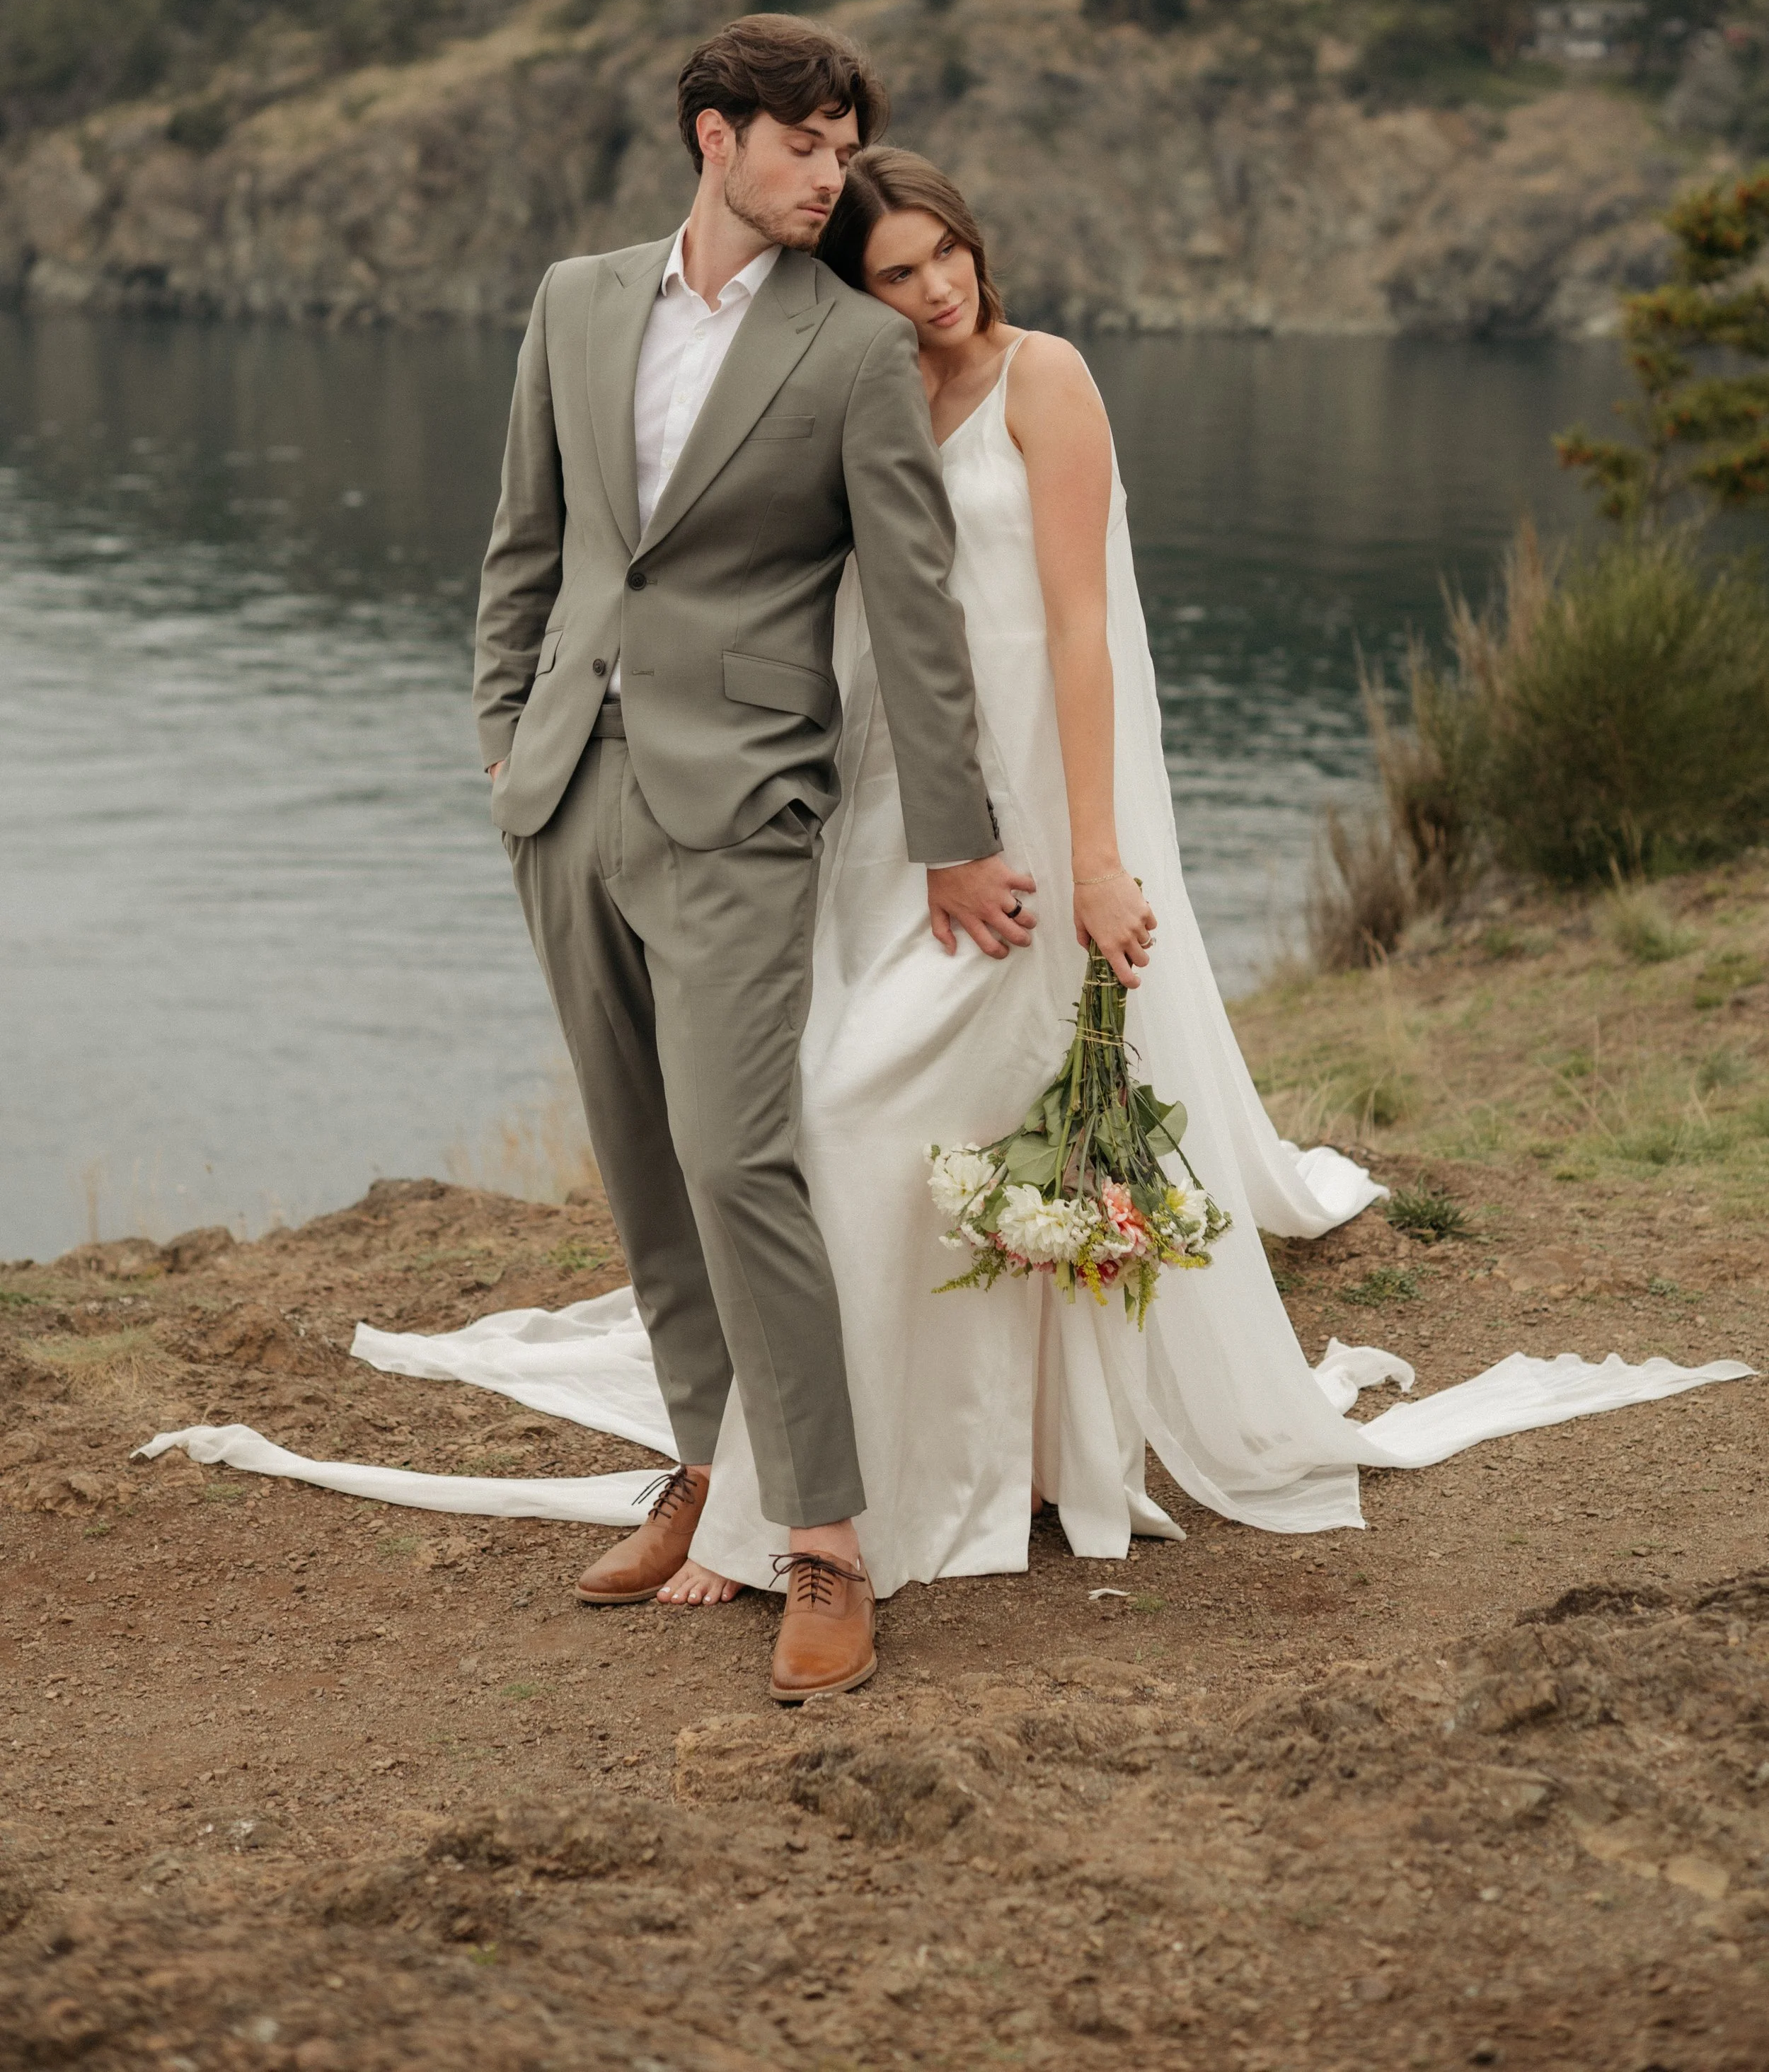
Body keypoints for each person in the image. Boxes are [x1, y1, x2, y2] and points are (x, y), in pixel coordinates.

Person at [140, 147, 1751, 1627]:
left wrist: (1095, 855)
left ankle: (826, 1510)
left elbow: (1072, 633)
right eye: (896, 269)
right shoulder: (837, 382)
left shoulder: (1042, 379)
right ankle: (964, 1449)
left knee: (847, 1116)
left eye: (945, 254)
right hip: (867, 800)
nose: (935, 288)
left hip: (1025, 813)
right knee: (905, 1135)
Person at [472, 27, 1033, 1698]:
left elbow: (918, 616)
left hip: (742, 809)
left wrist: (955, 840)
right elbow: (528, 540)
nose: (832, 174)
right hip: (569, 789)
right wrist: (503, 735)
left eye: (846, 143)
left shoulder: (853, 348)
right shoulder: (576, 302)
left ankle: (824, 1540)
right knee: (641, 1164)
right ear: (713, 138)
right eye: (804, 143)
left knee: (737, 1159)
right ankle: (708, 1475)